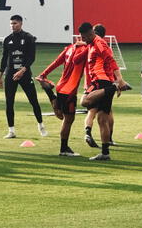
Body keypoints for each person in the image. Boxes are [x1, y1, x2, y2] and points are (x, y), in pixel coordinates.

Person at [78, 22, 127, 161]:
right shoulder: (91, 43)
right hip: (103, 83)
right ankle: (105, 153)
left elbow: (110, 60)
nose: (83, 39)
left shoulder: (99, 43)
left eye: (83, 37)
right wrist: (81, 45)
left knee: (84, 101)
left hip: (101, 82)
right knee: (101, 119)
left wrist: (120, 79)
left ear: (90, 33)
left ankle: (114, 87)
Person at [37, 38, 87, 157]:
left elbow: (56, 62)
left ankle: (51, 95)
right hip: (70, 90)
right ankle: (64, 149)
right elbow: (79, 62)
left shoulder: (69, 48)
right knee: (67, 119)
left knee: (62, 116)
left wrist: (44, 74)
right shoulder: (86, 49)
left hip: (61, 86)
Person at [0, 15, 46, 139]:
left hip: (24, 74)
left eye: (15, 23)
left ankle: (41, 125)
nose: (12, 26)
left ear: (21, 23)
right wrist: (0, 76)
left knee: (33, 101)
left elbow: (31, 57)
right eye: (11, 24)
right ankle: (11, 131)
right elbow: (4, 58)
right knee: (9, 103)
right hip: (10, 75)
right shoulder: (7, 39)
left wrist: (23, 70)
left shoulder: (28, 38)